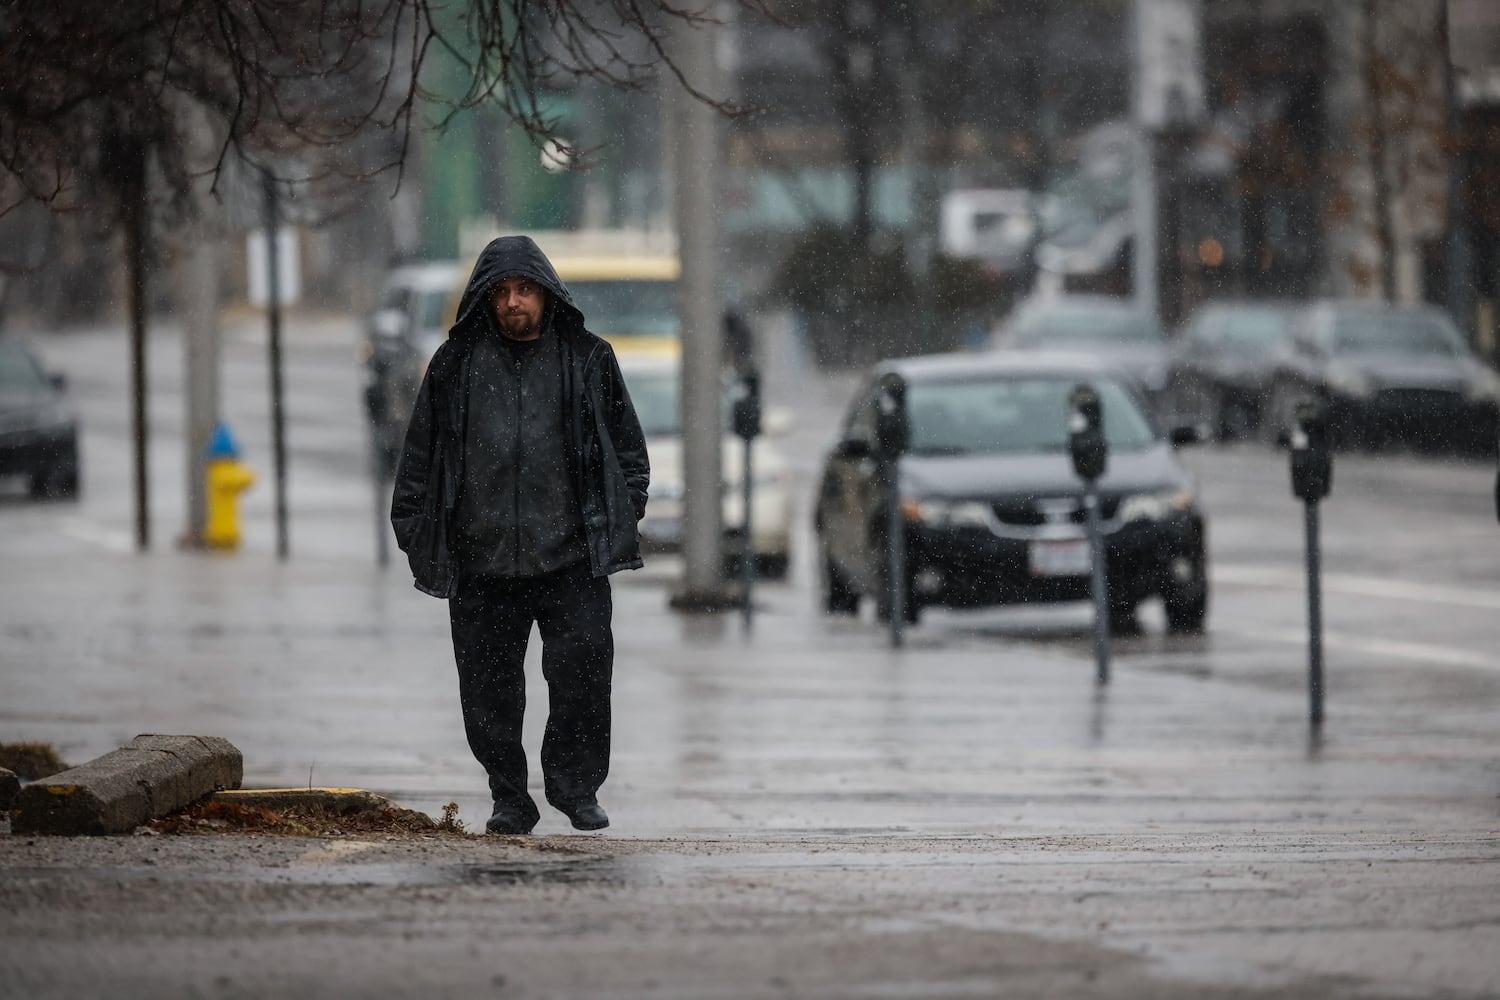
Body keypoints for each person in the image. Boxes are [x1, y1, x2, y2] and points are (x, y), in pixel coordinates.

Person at [390, 235, 649, 835]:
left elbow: (629, 452)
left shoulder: (588, 359)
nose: (513, 303)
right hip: (481, 563)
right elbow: (419, 460)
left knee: (583, 675)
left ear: (547, 294)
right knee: (488, 695)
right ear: (485, 298)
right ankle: (510, 796)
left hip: (571, 561)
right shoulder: (454, 367)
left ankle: (575, 788)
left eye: (524, 290)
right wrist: (415, 532)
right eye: (501, 292)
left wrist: (620, 514)